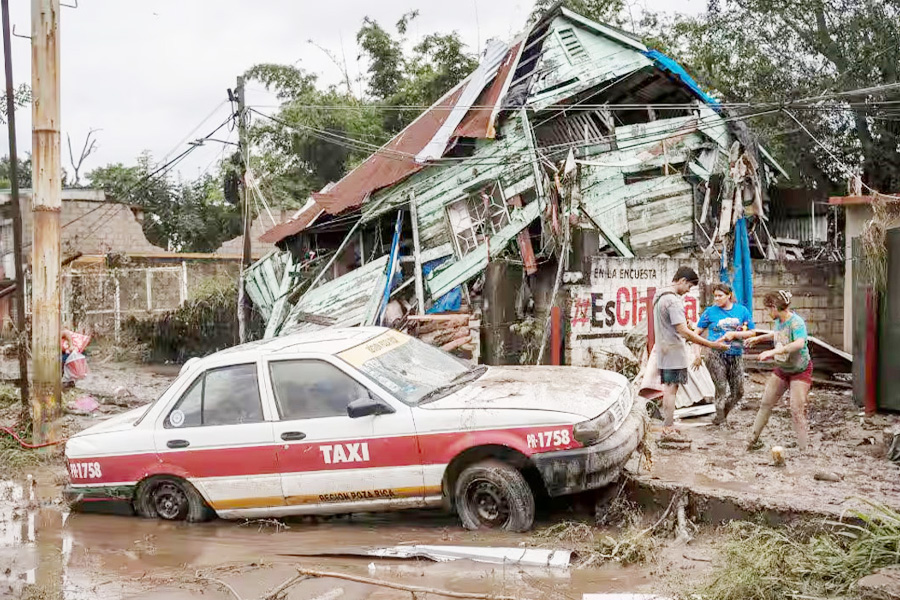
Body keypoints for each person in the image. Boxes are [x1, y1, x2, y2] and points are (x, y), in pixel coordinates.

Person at [653, 266, 729, 437]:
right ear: (682, 281)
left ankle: (668, 425)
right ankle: (668, 427)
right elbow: (684, 331)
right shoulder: (673, 301)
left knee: (669, 388)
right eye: (688, 287)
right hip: (673, 351)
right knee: (672, 389)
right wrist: (711, 344)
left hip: (664, 350)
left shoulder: (659, 296)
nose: (688, 292)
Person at [745, 290, 812, 452]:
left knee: (796, 410)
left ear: (774, 307)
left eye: (768, 309)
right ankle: (752, 440)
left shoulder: (796, 323)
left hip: (800, 370)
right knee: (766, 403)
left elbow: (799, 343)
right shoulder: (779, 321)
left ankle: (804, 449)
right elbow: (778, 334)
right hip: (783, 368)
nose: (767, 312)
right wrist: (760, 338)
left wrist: (772, 352)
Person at [693, 283, 756, 425]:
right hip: (715, 355)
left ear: (729, 295)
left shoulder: (742, 311)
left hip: (735, 354)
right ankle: (721, 421)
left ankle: (721, 416)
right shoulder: (710, 312)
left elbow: (752, 332)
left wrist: (734, 334)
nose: (717, 299)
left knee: (738, 392)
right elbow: (695, 335)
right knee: (721, 388)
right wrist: (697, 355)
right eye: (715, 296)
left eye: (720, 296)